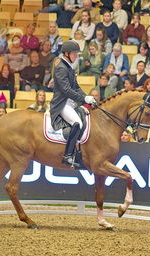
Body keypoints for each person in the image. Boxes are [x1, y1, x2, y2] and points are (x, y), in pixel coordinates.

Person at [50, 40, 97, 168]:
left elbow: (76, 87)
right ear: (66, 53)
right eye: (74, 53)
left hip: (70, 103)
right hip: (62, 104)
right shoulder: (61, 68)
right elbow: (66, 90)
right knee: (77, 123)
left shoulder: (69, 68)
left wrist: (86, 97)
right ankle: (68, 156)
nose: (76, 56)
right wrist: (83, 99)